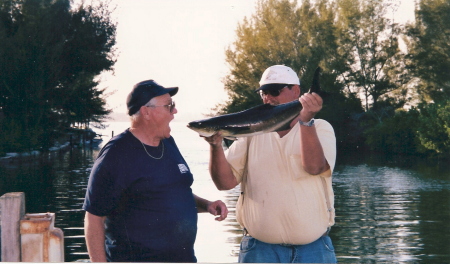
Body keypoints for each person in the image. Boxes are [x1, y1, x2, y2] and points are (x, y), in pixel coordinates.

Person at [83, 79, 228, 262]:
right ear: (147, 112)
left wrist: (206, 205)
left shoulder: (168, 143)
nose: (174, 111)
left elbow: (171, 195)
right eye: (169, 106)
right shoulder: (117, 154)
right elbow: (94, 218)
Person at [203, 65, 337, 263]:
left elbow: (314, 167)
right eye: (264, 93)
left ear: (297, 91)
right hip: (259, 251)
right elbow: (224, 183)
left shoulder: (320, 128)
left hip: (314, 251)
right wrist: (215, 146)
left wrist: (306, 121)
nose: (268, 98)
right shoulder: (251, 134)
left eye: (275, 91)